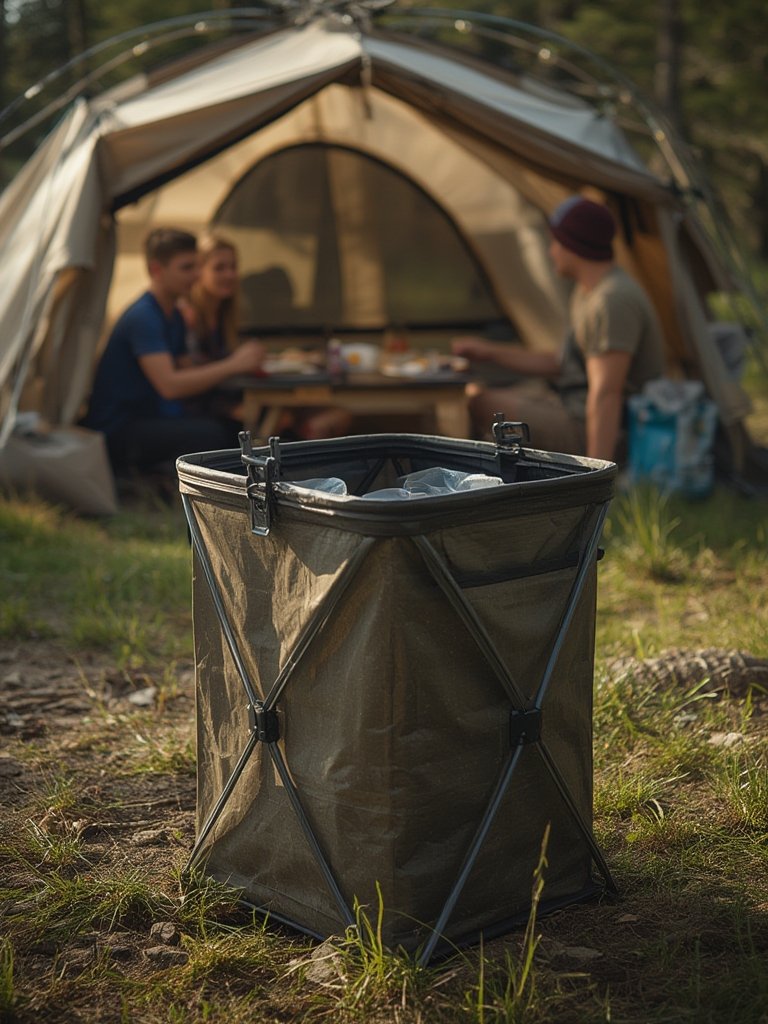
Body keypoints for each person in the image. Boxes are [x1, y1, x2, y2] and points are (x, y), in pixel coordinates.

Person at [453, 196, 666, 462]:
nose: (551, 251)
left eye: (556, 242)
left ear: (574, 244)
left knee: (481, 403)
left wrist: (596, 476)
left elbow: (606, 395)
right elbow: (561, 362)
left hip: (603, 429)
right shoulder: (589, 291)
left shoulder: (612, 301)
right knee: (474, 392)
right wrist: (489, 352)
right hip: (569, 404)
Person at [81, 227, 264, 474]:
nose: (197, 275)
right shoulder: (143, 316)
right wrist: (234, 364)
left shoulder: (174, 315)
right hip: (120, 429)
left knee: (234, 428)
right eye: (187, 268)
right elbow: (170, 386)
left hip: (152, 418)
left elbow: (191, 372)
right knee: (212, 434)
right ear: (156, 270)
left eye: (198, 266)